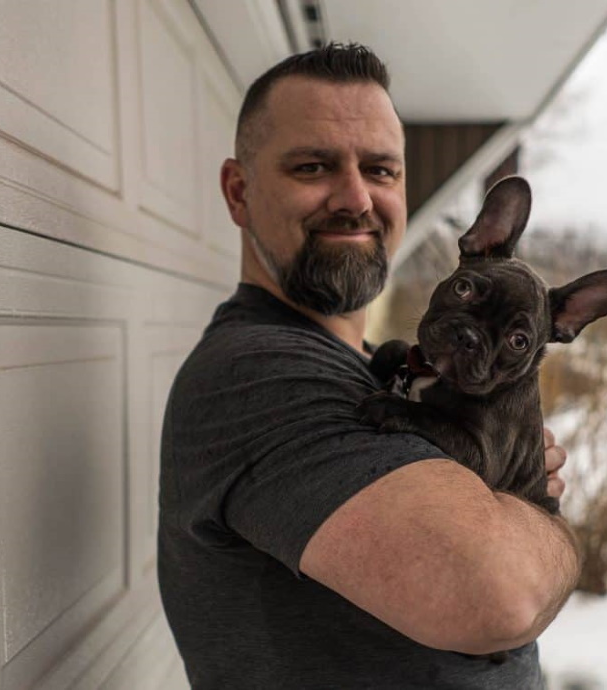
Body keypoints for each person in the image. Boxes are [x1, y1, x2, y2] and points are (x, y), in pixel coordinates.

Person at [158, 42, 578, 689]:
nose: (355, 197)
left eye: (380, 170)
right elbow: (501, 598)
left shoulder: (371, 369)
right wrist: (554, 532)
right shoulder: (263, 374)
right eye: (312, 166)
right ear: (239, 192)